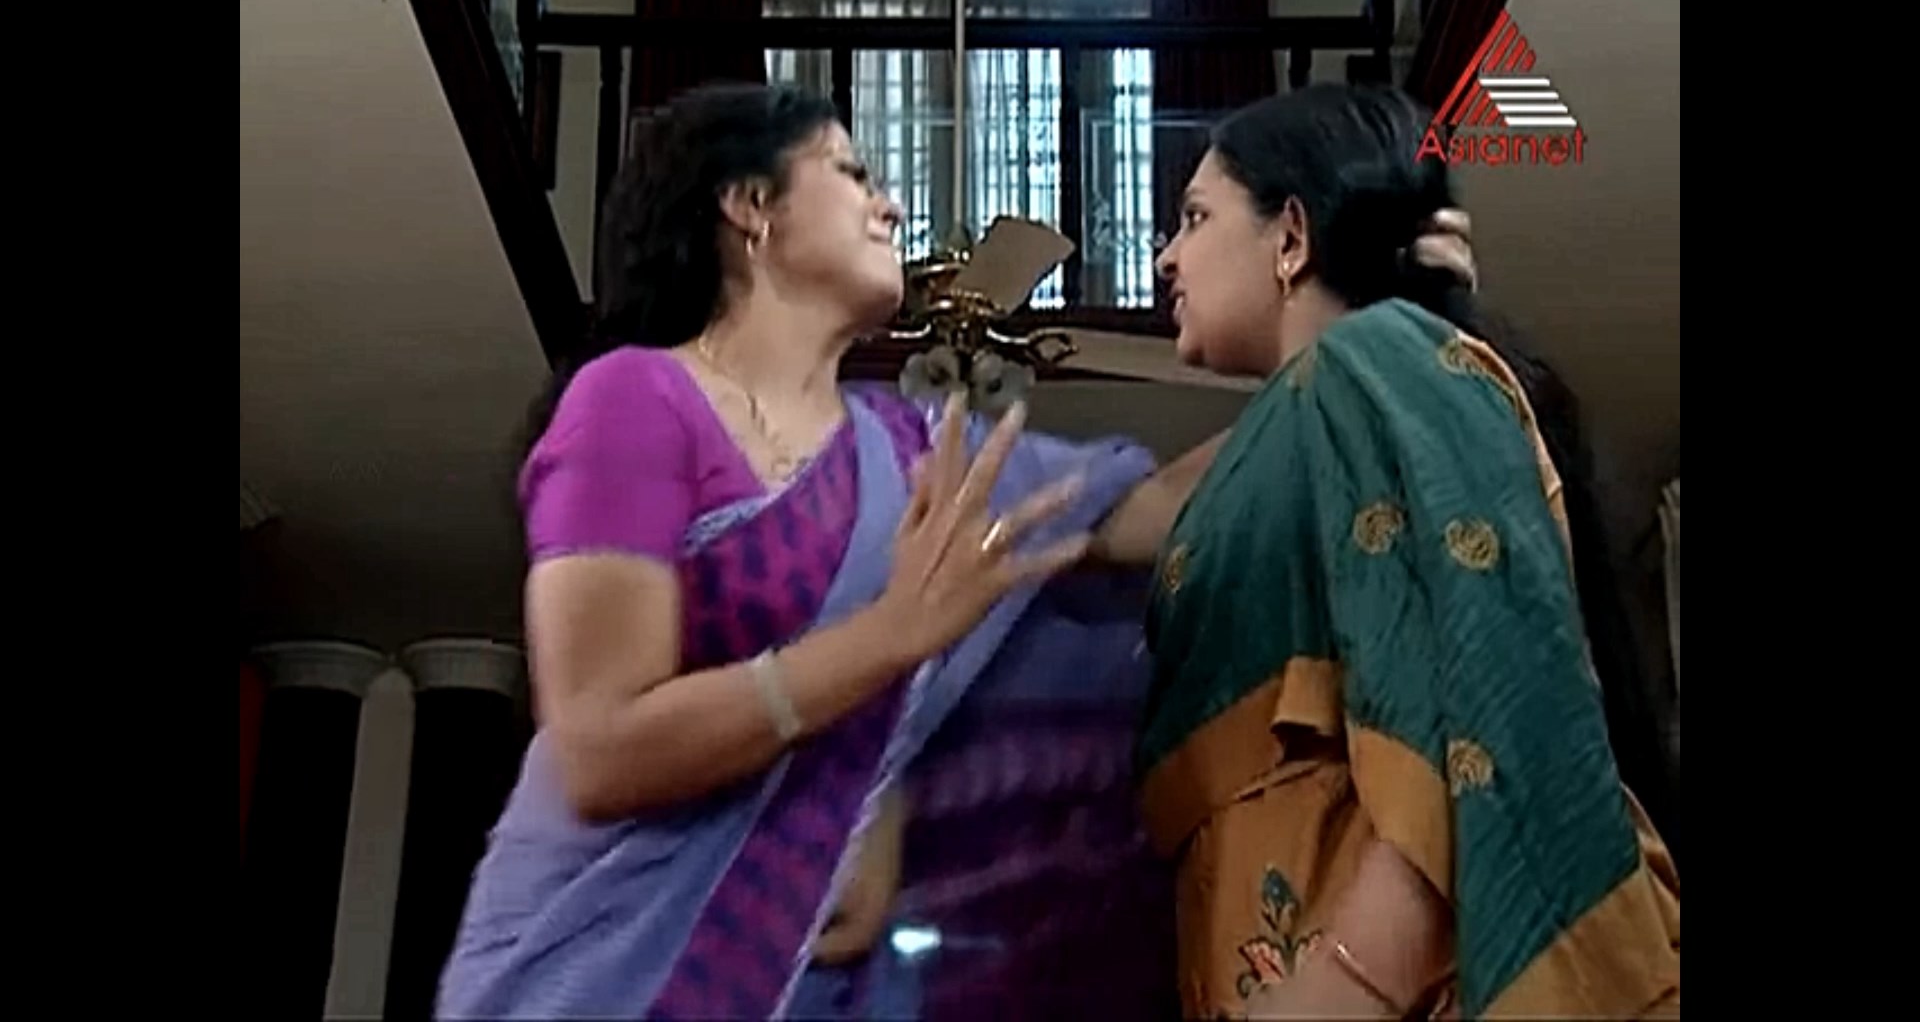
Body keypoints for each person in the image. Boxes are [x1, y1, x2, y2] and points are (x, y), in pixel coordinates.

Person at [435, 81, 1477, 1020]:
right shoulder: (635, 400)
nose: (890, 206)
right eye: (852, 173)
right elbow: (600, 750)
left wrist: (1368, 332)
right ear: (749, 206)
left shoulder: (913, 448)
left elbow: (1154, 512)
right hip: (597, 970)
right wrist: (890, 640)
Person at [1138, 82, 1680, 1020]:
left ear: (1291, 238)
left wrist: (1349, 983)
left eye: (1195, 217)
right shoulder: (1299, 420)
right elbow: (1117, 515)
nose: (1166, 257)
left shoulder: (1379, 358)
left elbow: (1481, 689)